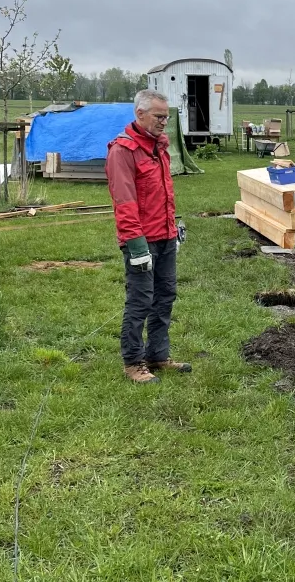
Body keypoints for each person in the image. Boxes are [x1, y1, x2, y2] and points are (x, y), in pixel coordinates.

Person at [105, 89, 190, 384]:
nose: (164, 122)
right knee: (140, 300)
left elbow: (162, 195)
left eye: (166, 117)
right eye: (158, 116)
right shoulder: (123, 151)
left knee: (165, 297)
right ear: (139, 114)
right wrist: (136, 244)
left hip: (165, 235)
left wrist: (172, 230)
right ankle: (133, 362)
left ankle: (158, 355)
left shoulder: (159, 147)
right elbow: (125, 201)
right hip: (141, 240)